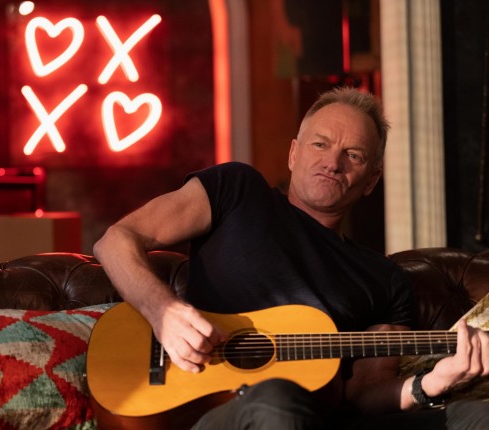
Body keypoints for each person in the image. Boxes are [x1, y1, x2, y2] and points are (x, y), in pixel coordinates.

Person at [93, 87, 489, 429]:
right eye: (320, 144)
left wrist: (433, 383)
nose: (332, 163)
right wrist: (162, 312)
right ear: (293, 153)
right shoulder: (236, 190)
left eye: (353, 155)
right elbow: (116, 240)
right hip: (216, 410)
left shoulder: (385, 279)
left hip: (326, 420)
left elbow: (366, 396)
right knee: (277, 397)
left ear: (371, 180)